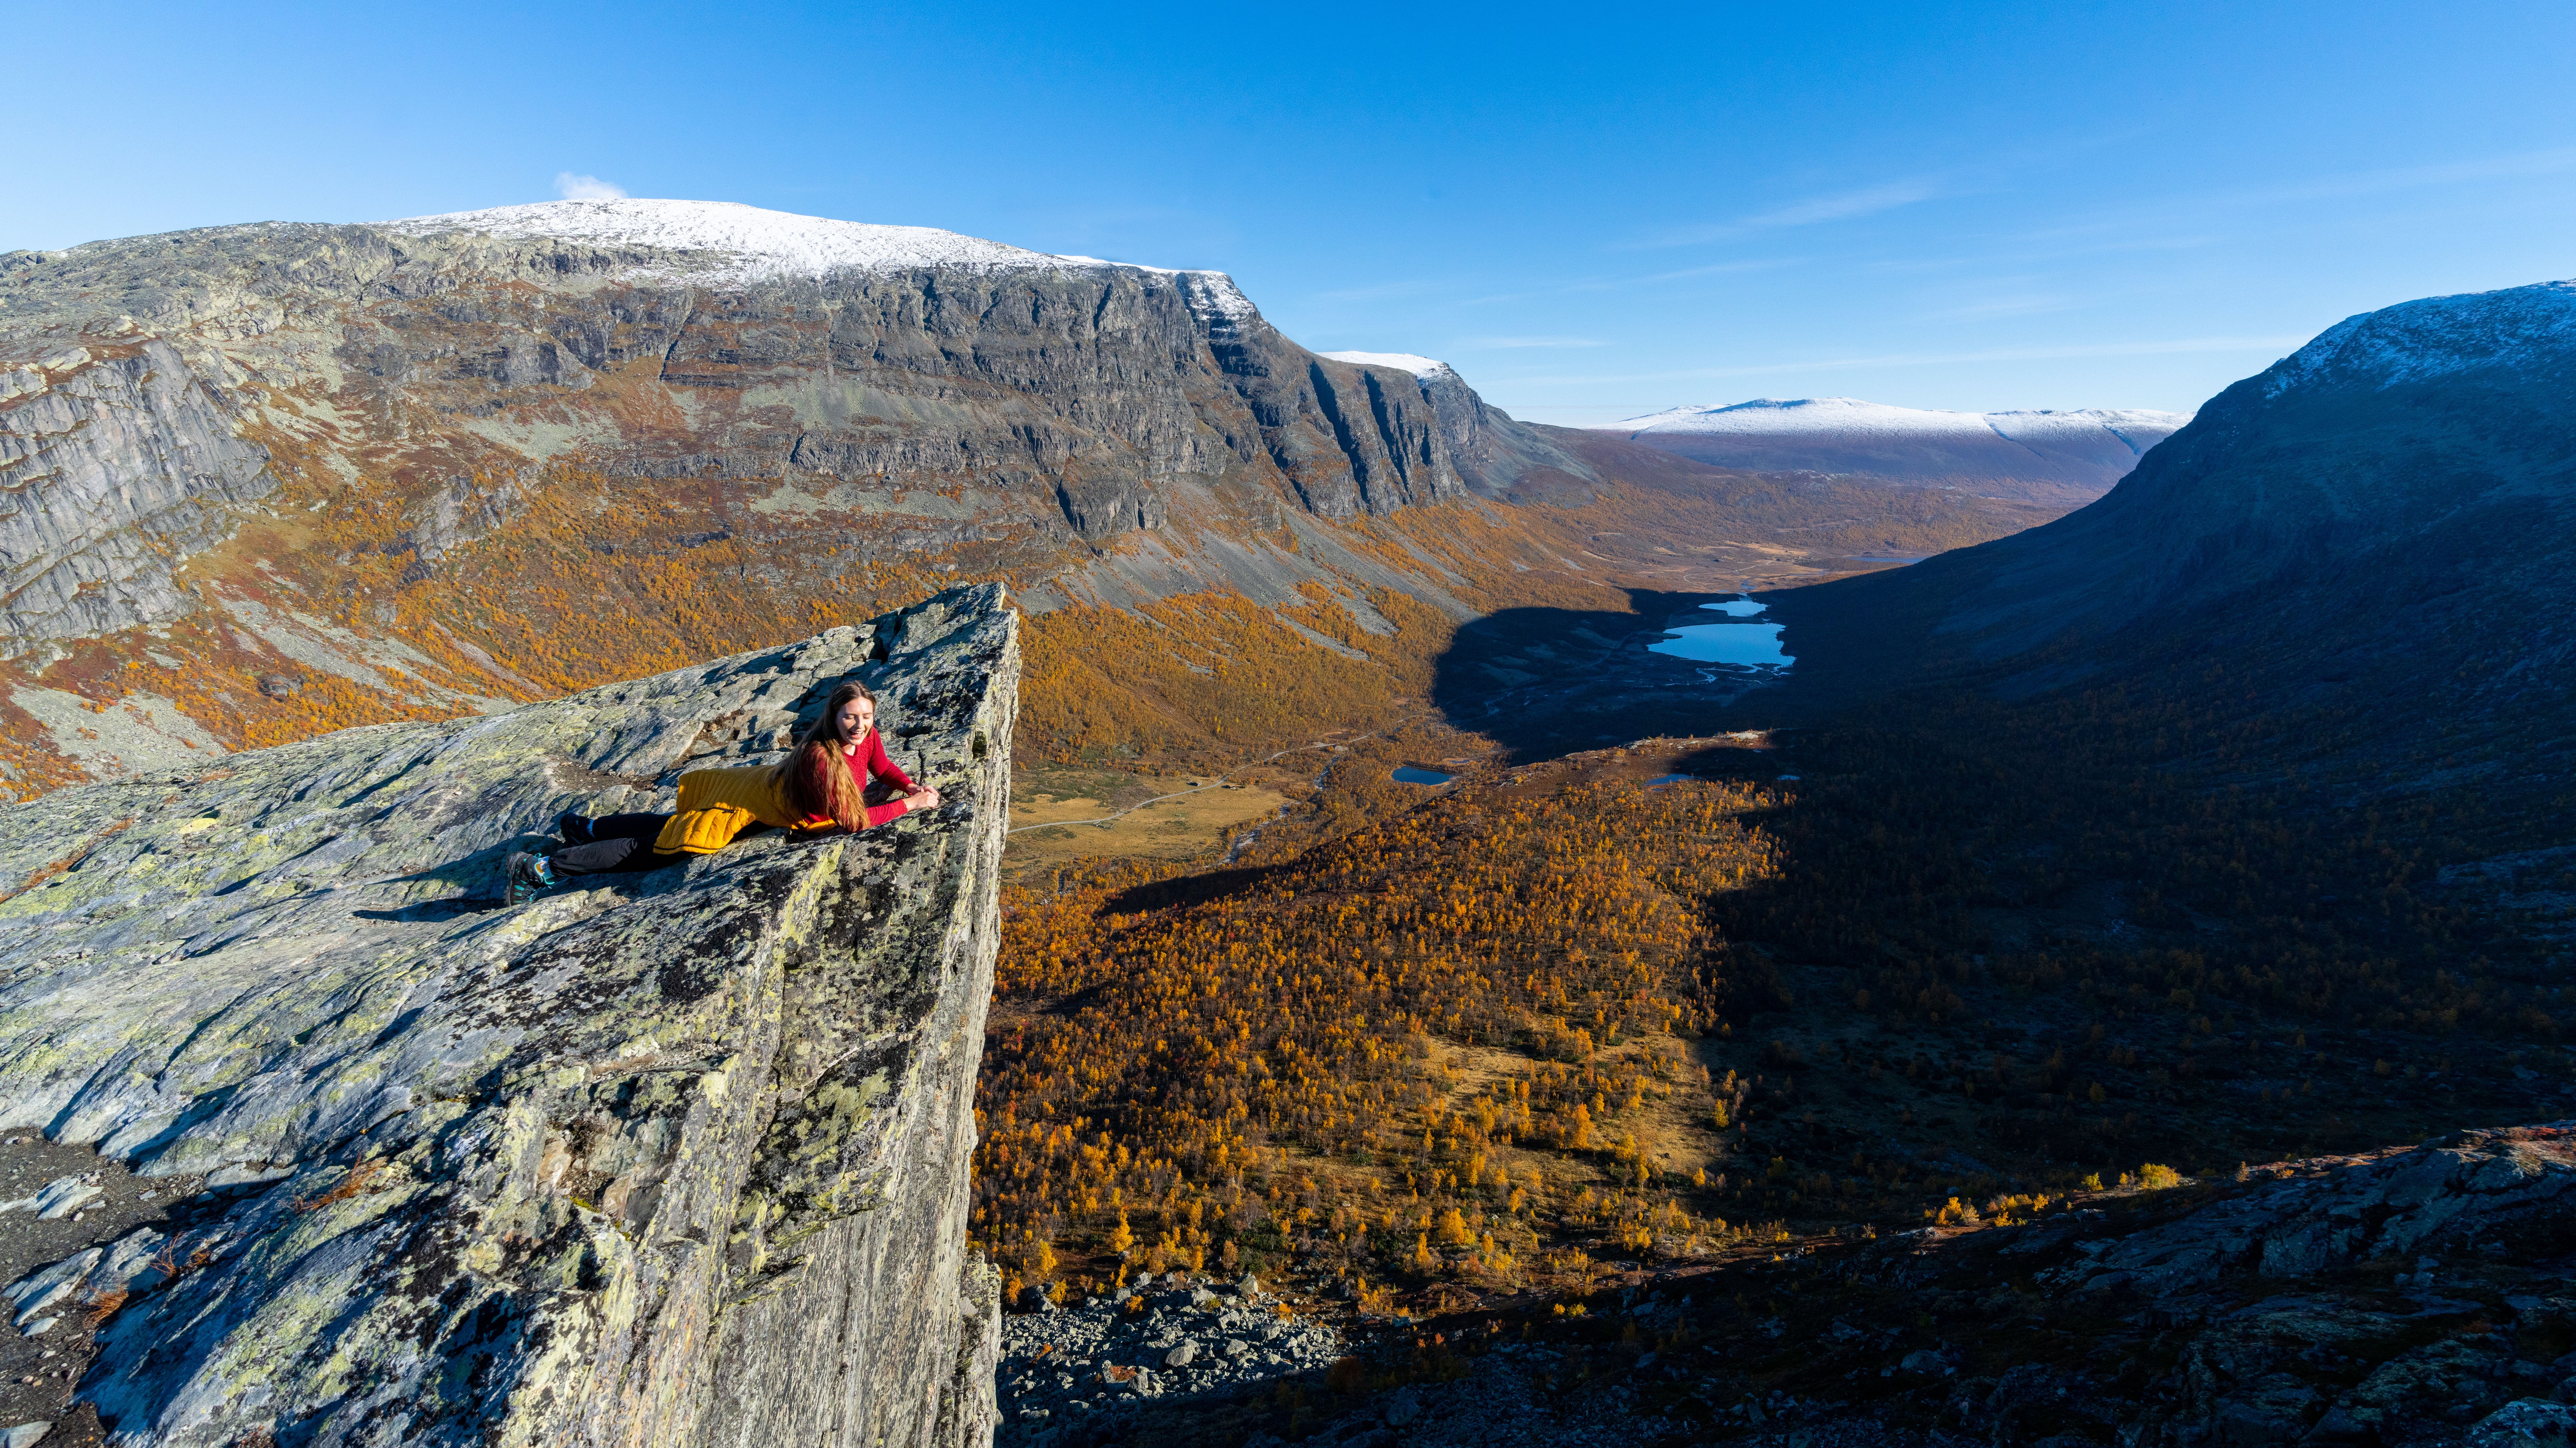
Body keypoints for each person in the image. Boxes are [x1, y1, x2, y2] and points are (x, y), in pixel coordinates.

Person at [504, 680, 942, 904]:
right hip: (750, 806)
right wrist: (914, 803)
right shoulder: (821, 759)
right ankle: (541, 869)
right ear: (835, 716)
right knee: (662, 847)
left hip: (761, 786)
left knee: (668, 828)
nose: (860, 725)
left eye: (866, 716)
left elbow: (880, 766)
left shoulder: (864, 739)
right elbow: (855, 822)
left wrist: (907, 784)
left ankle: (588, 828)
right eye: (851, 716)